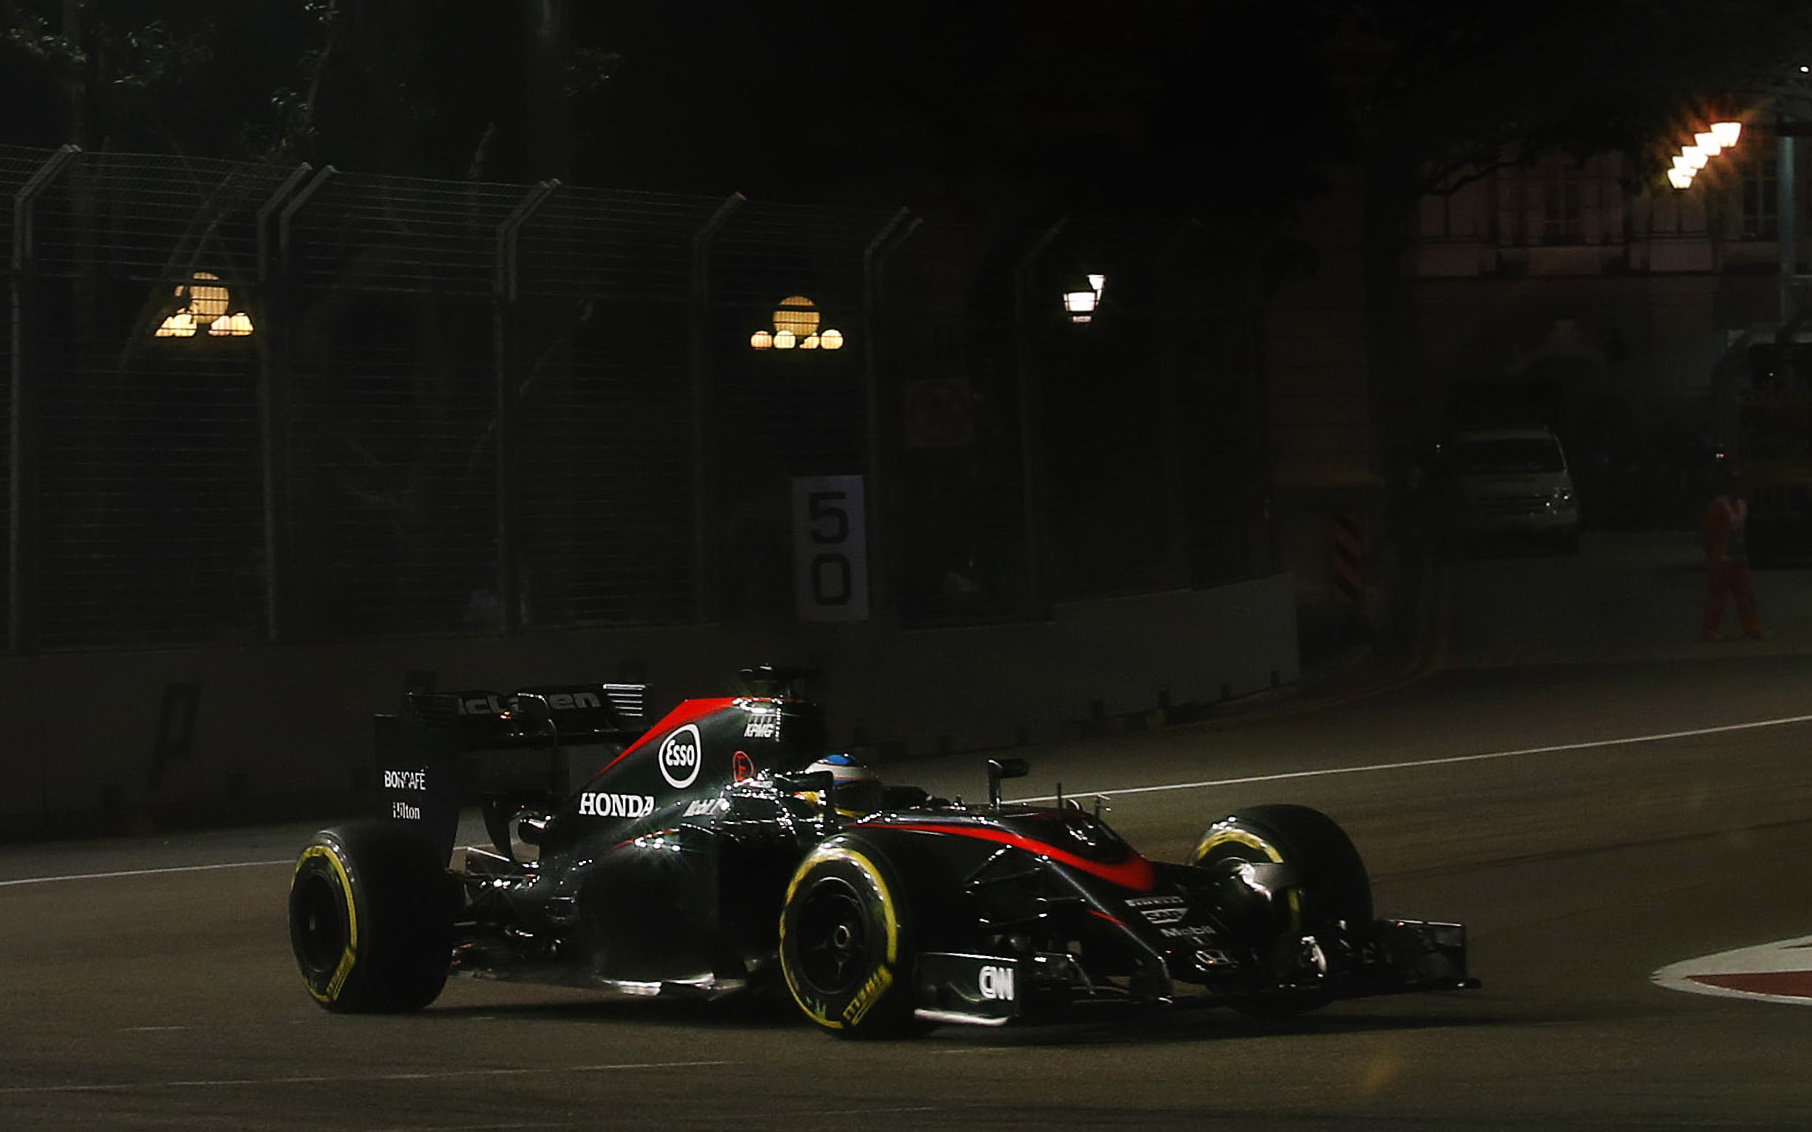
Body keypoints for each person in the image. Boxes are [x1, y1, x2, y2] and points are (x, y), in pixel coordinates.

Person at [1701, 470, 1762, 640]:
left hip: (1738, 557)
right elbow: (1708, 531)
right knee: (1717, 595)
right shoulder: (1719, 506)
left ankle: (1752, 627)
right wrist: (1711, 552)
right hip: (1723, 557)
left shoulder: (1741, 506)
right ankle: (1711, 629)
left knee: (1746, 594)